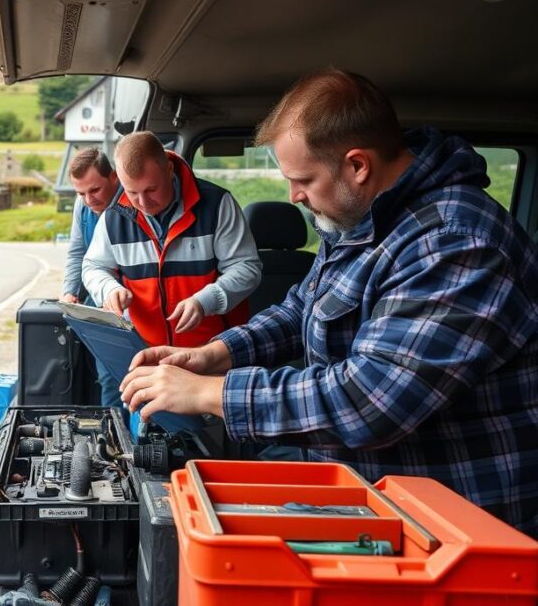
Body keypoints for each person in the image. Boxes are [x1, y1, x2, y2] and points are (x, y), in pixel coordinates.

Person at [120, 69, 538, 537]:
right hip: (375, 496)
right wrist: (214, 354)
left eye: (303, 179)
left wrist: (209, 392)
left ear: (357, 166)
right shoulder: (363, 220)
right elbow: (302, 306)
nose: (293, 195)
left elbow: (371, 400)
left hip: (455, 523)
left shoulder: (454, 242)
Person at [82, 131, 261, 349]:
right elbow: (93, 267)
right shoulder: (113, 217)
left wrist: (206, 300)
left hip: (214, 351)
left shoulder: (217, 205)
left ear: (169, 169)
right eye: (132, 192)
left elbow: (247, 267)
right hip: (146, 355)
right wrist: (108, 289)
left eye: (151, 189)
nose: (143, 202)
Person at [59, 147, 123, 409]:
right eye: (80, 192)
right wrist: (69, 290)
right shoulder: (82, 206)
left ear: (114, 178)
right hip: (102, 307)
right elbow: (77, 252)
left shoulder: (132, 203)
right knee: (108, 379)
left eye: (94, 190)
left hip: (132, 304)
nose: (88, 199)